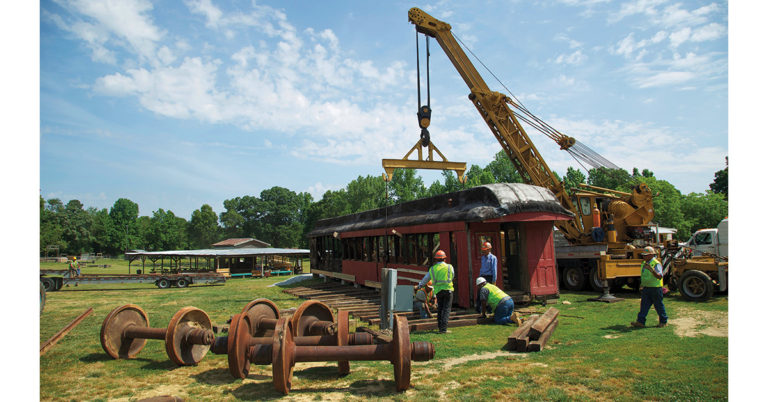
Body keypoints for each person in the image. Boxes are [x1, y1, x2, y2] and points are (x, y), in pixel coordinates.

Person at [417, 250, 454, 334]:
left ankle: (440, 327)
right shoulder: (449, 267)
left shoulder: (432, 269)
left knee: (440, 309)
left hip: (438, 291)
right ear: (444, 259)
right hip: (448, 290)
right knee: (446, 309)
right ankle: (443, 329)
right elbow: (452, 276)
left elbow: (426, 279)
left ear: (436, 260)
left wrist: (419, 286)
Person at [631, 246, 668, 328]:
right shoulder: (644, 263)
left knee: (658, 305)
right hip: (647, 288)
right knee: (644, 305)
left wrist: (651, 269)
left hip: (655, 288)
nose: (644, 257)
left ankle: (663, 321)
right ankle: (640, 322)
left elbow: (659, 276)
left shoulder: (656, 263)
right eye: (643, 255)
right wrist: (642, 284)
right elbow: (644, 275)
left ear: (652, 255)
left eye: (646, 255)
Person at [476, 241, 497, 313]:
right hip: (482, 277)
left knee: (488, 294)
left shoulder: (493, 258)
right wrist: (479, 277)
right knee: (479, 293)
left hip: (489, 277)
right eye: (483, 250)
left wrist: (494, 280)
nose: (483, 252)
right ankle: (478, 309)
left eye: (485, 250)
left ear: (489, 249)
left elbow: (494, 269)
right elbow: (482, 268)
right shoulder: (483, 258)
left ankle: (489, 309)